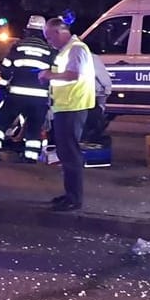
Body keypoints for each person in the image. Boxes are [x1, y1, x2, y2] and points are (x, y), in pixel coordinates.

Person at [38, 17, 95, 212]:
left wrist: (48, 76)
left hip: (73, 107)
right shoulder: (66, 51)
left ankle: (74, 199)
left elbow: (73, 75)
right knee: (65, 153)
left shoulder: (77, 49)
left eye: (49, 37)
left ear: (59, 32)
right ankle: (69, 194)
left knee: (70, 154)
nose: (48, 41)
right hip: (65, 107)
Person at [0, 15, 55, 163]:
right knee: (34, 129)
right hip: (39, 98)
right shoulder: (49, 51)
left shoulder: (18, 47)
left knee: (1, 123)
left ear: (28, 30)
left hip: (16, 95)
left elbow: (6, 69)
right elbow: (53, 74)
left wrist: (2, 86)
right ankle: (30, 158)